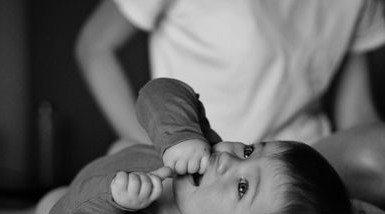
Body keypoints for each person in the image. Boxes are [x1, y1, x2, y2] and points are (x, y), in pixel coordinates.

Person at [44, 78, 351, 214]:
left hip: (83, 192)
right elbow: (157, 91)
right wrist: (180, 136)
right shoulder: (200, 146)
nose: (227, 159)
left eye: (242, 187)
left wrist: (113, 198)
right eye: (247, 151)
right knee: (127, 145)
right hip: (126, 154)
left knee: (47, 211)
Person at [75, 0, 385, 152]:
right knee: (119, 161)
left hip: (300, 165)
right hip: (198, 162)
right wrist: (158, 149)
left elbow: (356, 115)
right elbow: (95, 47)